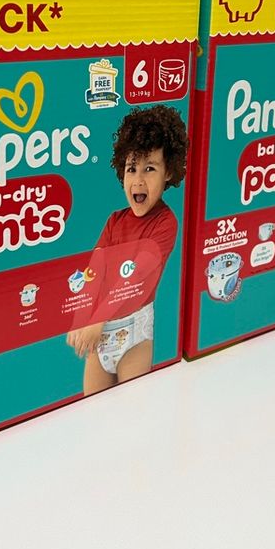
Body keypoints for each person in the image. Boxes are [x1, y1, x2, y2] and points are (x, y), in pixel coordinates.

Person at [66, 104, 188, 394]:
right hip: (100, 332)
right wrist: (81, 317)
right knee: (92, 406)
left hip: (134, 333)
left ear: (168, 172)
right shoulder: (114, 221)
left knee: (132, 407)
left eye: (150, 168)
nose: (138, 180)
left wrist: (96, 319)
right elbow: (94, 270)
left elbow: (134, 278)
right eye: (132, 169)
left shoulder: (165, 223)